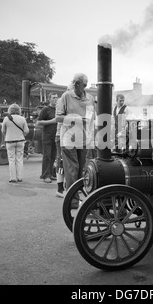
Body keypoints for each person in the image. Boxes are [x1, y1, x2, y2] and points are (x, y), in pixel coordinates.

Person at [56, 73, 95, 206]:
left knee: (81, 170)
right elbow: (58, 118)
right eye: (82, 84)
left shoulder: (90, 98)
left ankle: (75, 197)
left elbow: (91, 118)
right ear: (76, 83)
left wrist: (91, 136)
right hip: (68, 139)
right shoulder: (66, 96)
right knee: (72, 168)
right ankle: (72, 201)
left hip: (83, 138)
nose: (84, 87)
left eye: (85, 85)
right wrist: (77, 119)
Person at [1, 103, 29, 183]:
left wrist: (7, 135)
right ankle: (20, 177)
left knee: (11, 160)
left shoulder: (6, 119)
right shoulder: (22, 118)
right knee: (19, 159)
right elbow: (26, 131)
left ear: (10, 110)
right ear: (19, 110)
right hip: (20, 141)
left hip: (9, 141)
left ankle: (13, 178)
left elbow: (3, 131)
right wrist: (22, 134)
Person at [36, 92, 58, 183]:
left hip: (56, 136)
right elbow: (38, 123)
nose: (55, 99)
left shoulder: (59, 110)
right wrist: (52, 121)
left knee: (53, 156)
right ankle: (45, 175)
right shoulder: (45, 109)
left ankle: (50, 173)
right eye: (53, 98)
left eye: (56, 98)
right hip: (47, 136)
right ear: (49, 99)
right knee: (47, 156)